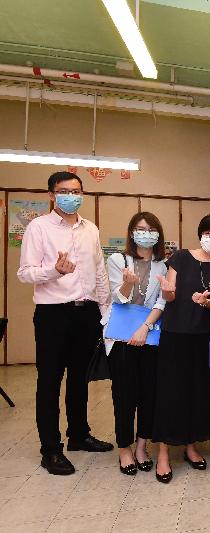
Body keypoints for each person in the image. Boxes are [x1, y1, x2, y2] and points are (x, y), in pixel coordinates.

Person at [17, 171, 113, 476]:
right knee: (49, 382)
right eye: (63, 191)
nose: (71, 195)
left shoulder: (91, 229)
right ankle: (51, 449)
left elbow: (98, 271)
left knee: (79, 379)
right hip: (53, 314)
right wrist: (54, 271)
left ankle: (79, 435)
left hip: (87, 313)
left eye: (76, 190)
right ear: (51, 195)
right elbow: (25, 273)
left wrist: (105, 309)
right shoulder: (38, 227)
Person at [151, 214, 210, 483]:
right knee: (170, 393)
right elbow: (171, 295)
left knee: (200, 394)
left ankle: (191, 446)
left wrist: (206, 301)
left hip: (204, 339)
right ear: (201, 233)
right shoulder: (180, 258)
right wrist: (166, 290)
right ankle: (163, 452)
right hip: (175, 334)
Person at [104, 212, 168, 475]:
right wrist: (129, 285)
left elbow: (161, 301)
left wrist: (146, 327)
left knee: (148, 395)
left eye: (152, 229)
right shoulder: (119, 260)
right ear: (131, 232)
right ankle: (124, 449)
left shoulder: (162, 265)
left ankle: (142, 446)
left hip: (149, 335)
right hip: (120, 337)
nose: (146, 233)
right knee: (124, 396)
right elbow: (117, 299)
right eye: (140, 229)